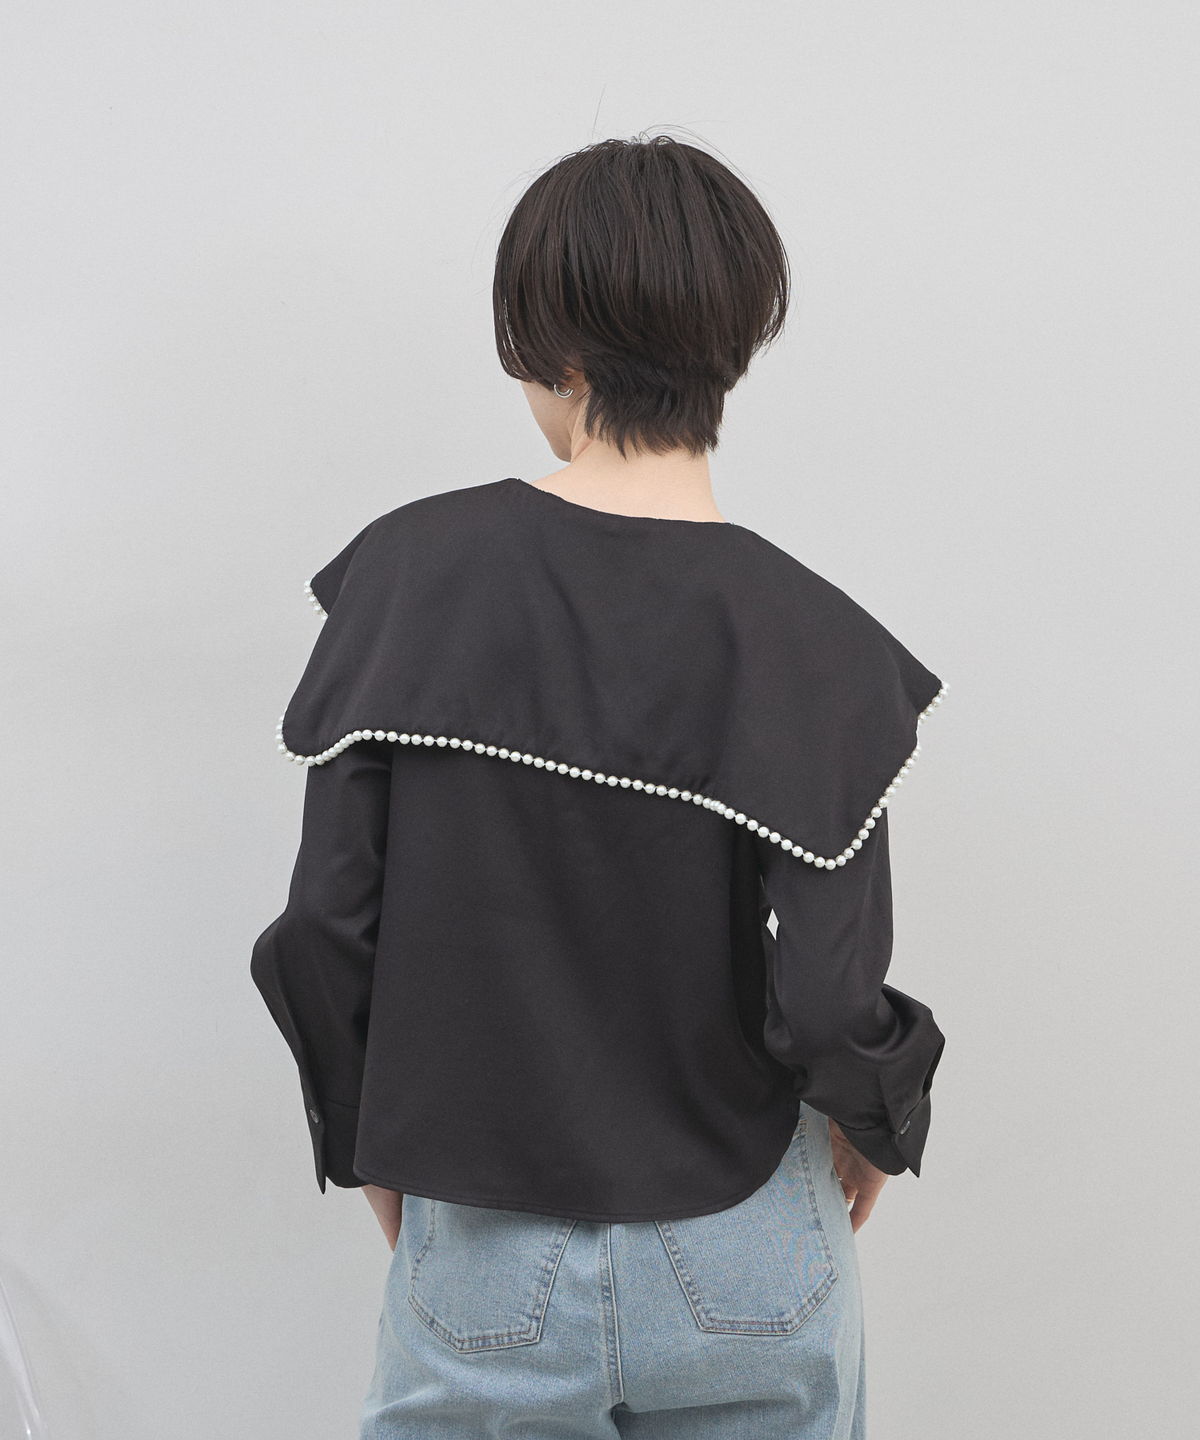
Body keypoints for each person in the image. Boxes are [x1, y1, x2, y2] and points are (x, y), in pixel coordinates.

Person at [250, 132, 948, 1439]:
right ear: (736, 344)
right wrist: (875, 1120)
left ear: (549, 349)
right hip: (751, 1233)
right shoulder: (823, 648)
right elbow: (827, 996)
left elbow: (326, 929)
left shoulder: (407, 580)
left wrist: (371, 1144)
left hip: (483, 1232)